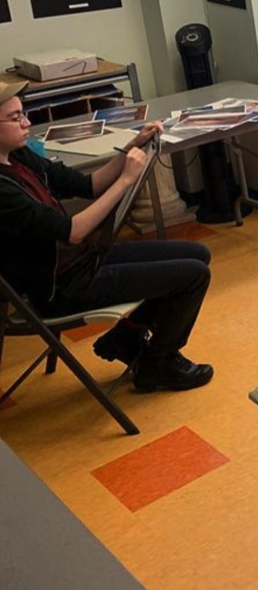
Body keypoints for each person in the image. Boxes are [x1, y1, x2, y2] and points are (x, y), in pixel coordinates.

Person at [0, 82, 213, 391]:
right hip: (61, 287)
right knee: (194, 275)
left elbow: (89, 186)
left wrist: (132, 147)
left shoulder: (19, 157)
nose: (27, 123)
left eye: (24, 114)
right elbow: (73, 231)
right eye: (15, 117)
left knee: (198, 254)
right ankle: (157, 363)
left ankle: (126, 335)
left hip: (82, 261)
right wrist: (127, 179)